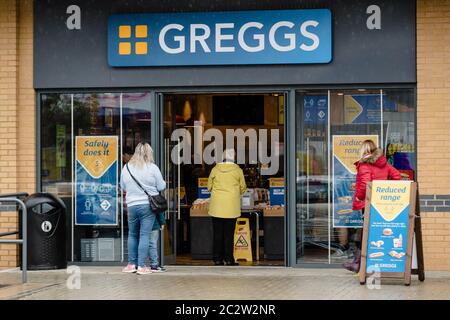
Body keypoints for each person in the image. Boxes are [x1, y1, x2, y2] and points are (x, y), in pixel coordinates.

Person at [344, 140, 401, 273]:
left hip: (368, 203)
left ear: (364, 151)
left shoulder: (365, 165)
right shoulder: (384, 163)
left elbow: (365, 184)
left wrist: (358, 196)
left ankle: (357, 264)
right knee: (373, 232)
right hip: (382, 204)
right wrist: (387, 191)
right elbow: (396, 175)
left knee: (366, 232)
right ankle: (359, 263)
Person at [120, 142, 166, 275]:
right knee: (144, 235)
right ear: (148, 153)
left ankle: (131, 264)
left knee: (132, 234)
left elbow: (122, 186)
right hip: (147, 206)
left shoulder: (127, 167)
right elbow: (161, 186)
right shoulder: (152, 168)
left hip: (132, 205)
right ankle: (141, 266)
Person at [207, 148, 247, 266]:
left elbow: (209, 187)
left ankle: (217, 259)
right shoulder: (237, 170)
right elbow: (243, 187)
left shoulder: (215, 169)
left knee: (217, 233)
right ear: (234, 157)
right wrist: (235, 193)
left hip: (216, 206)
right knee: (229, 234)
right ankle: (229, 259)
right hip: (231, 206)